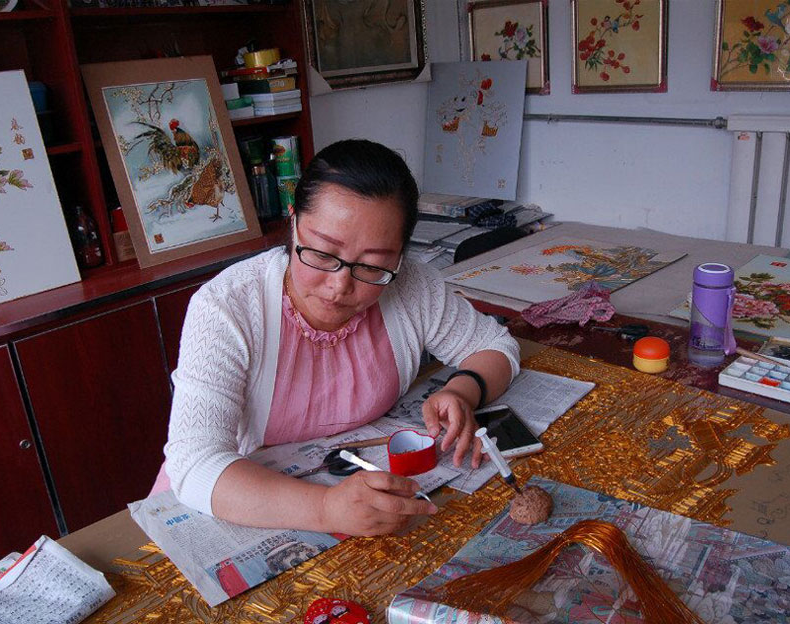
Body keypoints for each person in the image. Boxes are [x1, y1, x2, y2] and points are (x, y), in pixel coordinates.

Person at [158, 139, 520, 536]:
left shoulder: (410, 285)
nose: (339, 286)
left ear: (399, 257)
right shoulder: (228, 307)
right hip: (253, 501)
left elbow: (495, 346)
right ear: (293, 223)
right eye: (322, 254)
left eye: (372, 266)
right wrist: (326, 509)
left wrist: (463, 392)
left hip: (359, 485)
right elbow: (194, 464)